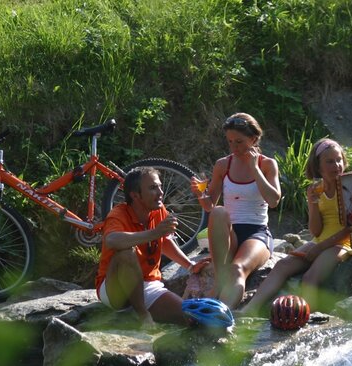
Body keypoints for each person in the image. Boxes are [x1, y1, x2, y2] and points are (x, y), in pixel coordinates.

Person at [240, 138, 351, 315]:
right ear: (318, 167)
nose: (337, 165)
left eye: (339, 160)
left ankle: (307, 318)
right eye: (330, 161)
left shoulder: (349, 188)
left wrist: (319, 248)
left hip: (344, 243)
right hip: (320, 240)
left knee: (309, 278)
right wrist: (313, 203)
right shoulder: (315, 189)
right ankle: (250, 309)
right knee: (283, 265)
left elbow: (350, 229)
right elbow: (315, 231)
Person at [191, 113, 281, 307]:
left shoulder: (267, 164)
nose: (234, 148)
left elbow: (274, 200)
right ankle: (216, 284)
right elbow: (210, 206)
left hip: (256, 233)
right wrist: (200, 193)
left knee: (236, 269)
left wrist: (255, 170)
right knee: (219, 212)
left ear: (254, 139)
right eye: (230, 142)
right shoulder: (223, 164)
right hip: (229, 232)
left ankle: (221, 313)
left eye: (239, 142)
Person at [95, 166, 199, 327]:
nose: (160, 193)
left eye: (159, 186)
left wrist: (190, 266)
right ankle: (143, 316)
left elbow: (164, 241)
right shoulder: (118, 214)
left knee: (192, 318)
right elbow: (111, 240)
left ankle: (142, 311)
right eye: (153, 188)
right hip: (116, 289)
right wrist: (154, 233)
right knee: (126, 253)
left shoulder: (159, 210)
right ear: (135, 195)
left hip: (148, 285)